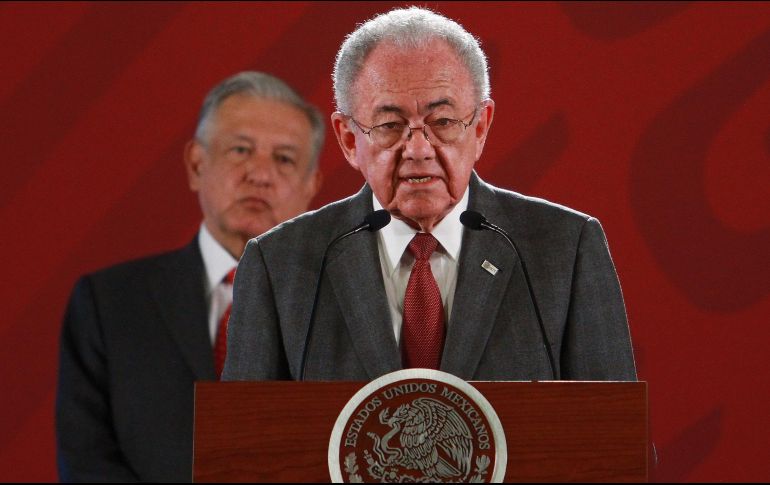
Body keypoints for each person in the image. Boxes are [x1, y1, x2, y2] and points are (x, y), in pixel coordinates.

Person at [223, 8, 635, 382]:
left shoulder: (564, 248)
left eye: (442, 121)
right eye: (389, 125)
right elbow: (239, 448)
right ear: (349, 139)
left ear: (480, 127)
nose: (418, 149)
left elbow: (619, 442)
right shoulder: (280, 264)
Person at [56, 71, 323, 482]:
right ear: (196, 165)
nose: (260, 174)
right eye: (240, 150)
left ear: (311, 187)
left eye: (284, 159)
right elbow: (86, 460)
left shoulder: (344, 304)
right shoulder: (110, 303)